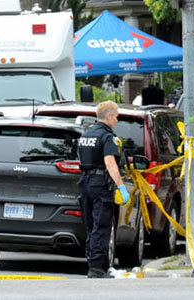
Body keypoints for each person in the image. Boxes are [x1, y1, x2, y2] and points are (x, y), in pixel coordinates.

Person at [77, 100, 130, 279]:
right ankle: (97, 268)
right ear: (108, 117)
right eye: (116, 117)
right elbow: (110, 163)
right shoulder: (107, 137)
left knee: (91, 226)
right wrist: (121, 187)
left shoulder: (86, 135)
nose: (116, 120)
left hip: (85, 183)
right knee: (102, 226)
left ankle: (95, 264)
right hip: (100, 185)